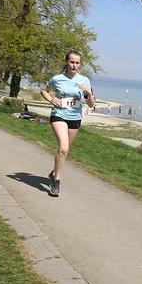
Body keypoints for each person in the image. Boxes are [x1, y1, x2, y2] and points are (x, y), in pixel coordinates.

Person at [40, 50, 95, 197]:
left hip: (75, 118)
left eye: (77, 63)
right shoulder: (57, 79)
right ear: (66, 62)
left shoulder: (85, 81)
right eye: (72, 62)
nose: (74, 65)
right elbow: (44, 90)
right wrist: (51, 99)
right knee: (63, 148)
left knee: (65, 150)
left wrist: (88, 93)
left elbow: (90, 104)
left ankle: (53, 173)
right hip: (58, 115)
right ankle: (56, 181)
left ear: (80, 64)